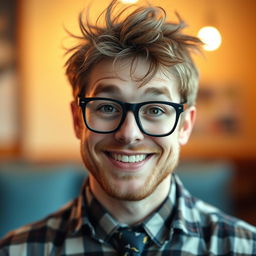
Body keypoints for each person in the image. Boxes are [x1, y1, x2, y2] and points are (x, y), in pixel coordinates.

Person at [0, 0, 255, 255]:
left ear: (185, 125)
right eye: (108, 107)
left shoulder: (244, 248)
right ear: (78, 120)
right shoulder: (17, 250)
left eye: (155, 109)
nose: (129, 134)